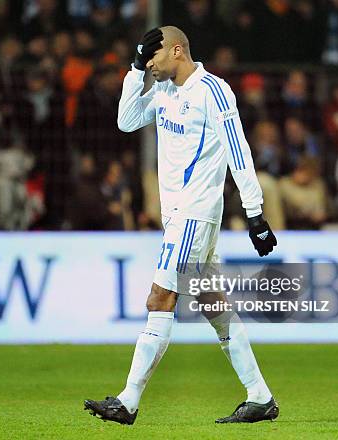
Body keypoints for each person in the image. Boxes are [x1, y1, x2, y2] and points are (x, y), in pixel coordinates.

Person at [84, 26, 278, 425]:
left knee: (160, 299)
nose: (150, 63)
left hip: (195, 211)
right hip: (178, 215)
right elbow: (126, 120)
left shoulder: (213, 90)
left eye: (152, 56)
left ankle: (128, 400)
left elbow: (238, 151)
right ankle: (260, 396)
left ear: (176, 50)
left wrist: (254, 213)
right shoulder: (163, 90)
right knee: (212, 304)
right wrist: (135, 70)